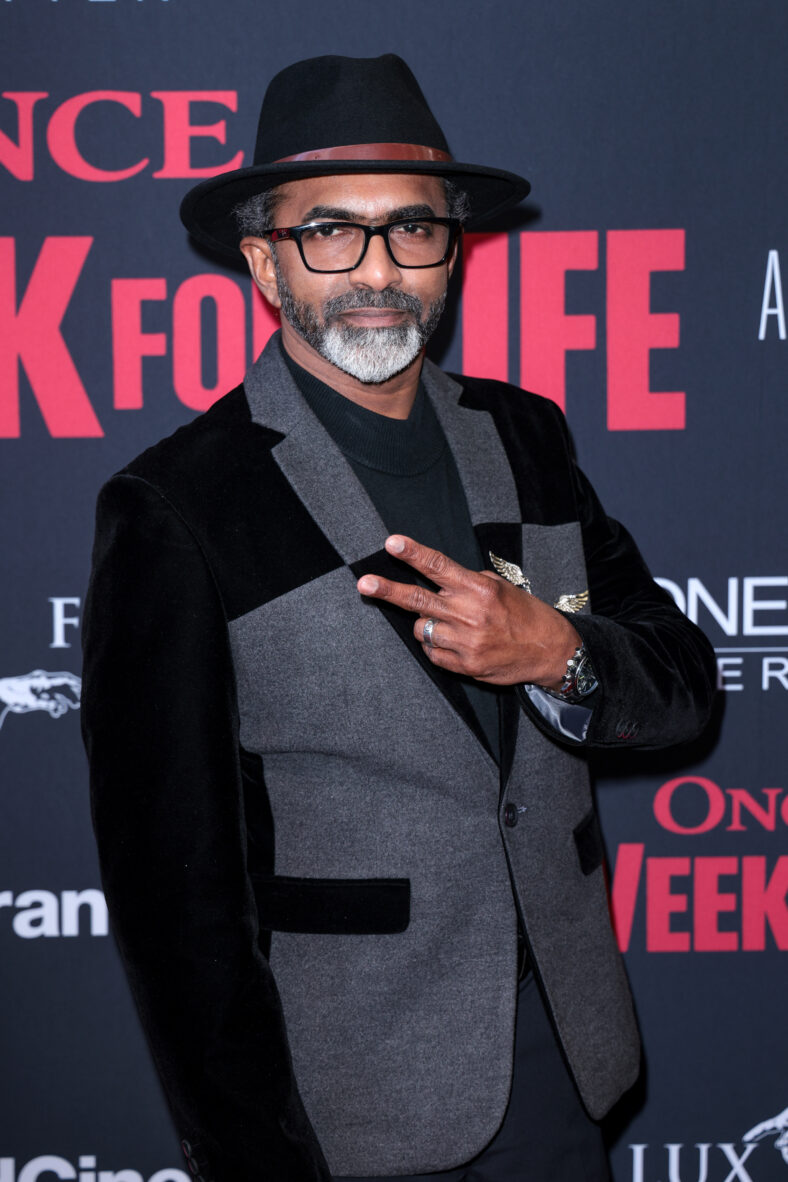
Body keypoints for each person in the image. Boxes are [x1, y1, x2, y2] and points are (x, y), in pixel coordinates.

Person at [81, 54, 717, 1182]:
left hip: (562, 1054)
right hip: (344, 1096)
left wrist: (558, 653)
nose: (377, 271)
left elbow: (679, 686)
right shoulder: (180, 504)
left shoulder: (525, 438)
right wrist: (255, 1153)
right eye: (331, 232)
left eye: (411, 230)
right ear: (267, 264)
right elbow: (176, 899)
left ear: (450, 254)